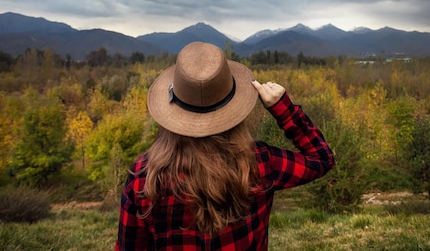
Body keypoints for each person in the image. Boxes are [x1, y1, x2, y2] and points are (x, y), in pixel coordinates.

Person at [116, 41, 334, 250]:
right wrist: (282, 109)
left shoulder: (144, 177)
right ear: (233, 105)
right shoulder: (259, 163)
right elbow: (321, 159)